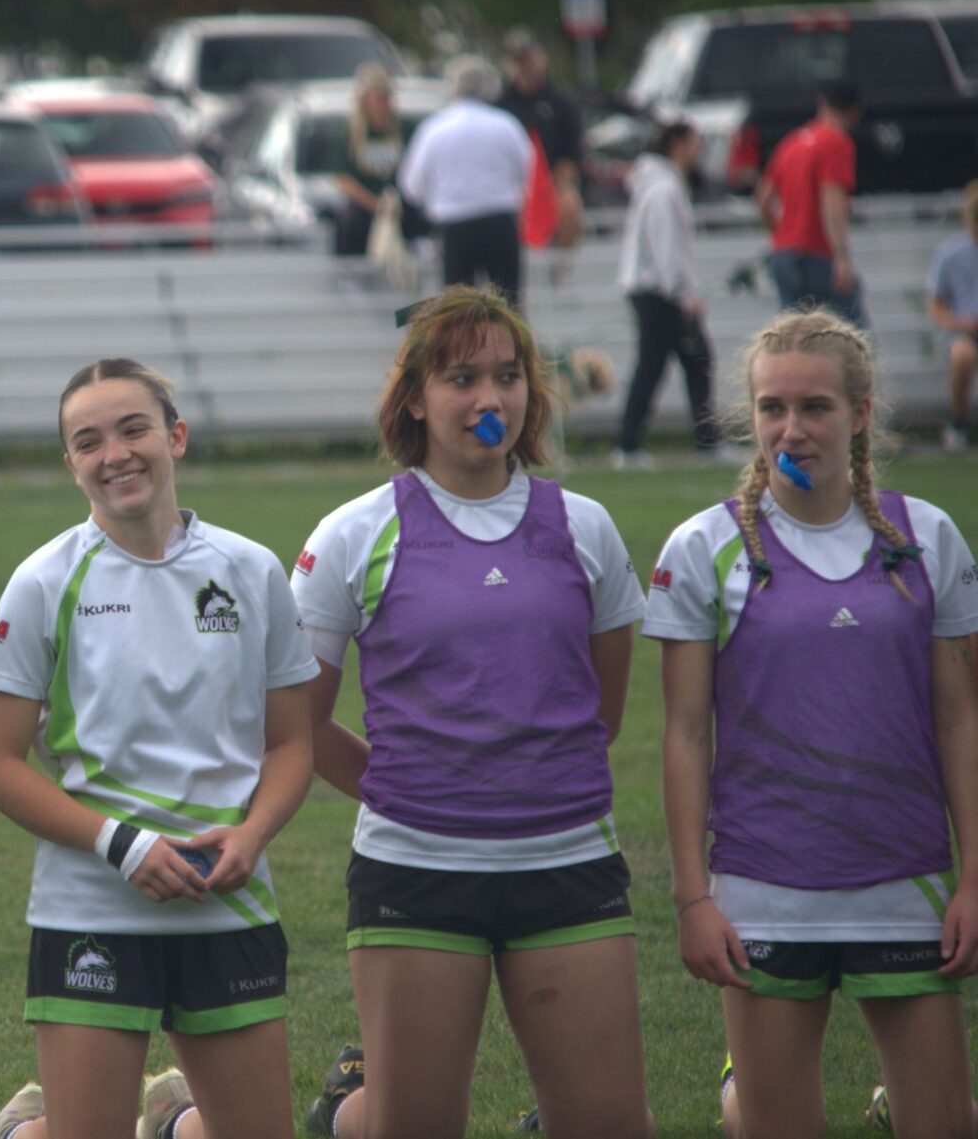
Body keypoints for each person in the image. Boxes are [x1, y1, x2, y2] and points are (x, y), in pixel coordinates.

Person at [292, 287, 653, 1139]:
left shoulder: (586, 527)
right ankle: (348, 1106)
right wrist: (406, 789)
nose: (489, 399)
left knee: (611, 1123)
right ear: (416, 396)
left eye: (507, 375)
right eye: (462, 378)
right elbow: (297, 725)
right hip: (416, 866)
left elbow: (599, 712)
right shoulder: (355, 533)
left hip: (566, 859)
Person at [645, 310, 978, 1139]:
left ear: (860, 413)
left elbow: (958, 715)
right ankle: (742, 1095)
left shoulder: (926, 537)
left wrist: (975, 876)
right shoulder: (702, 548)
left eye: (816, 407)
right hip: (766, 892)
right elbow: (685, 735)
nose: (791, 428)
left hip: (905, 884)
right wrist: (693, 895)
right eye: (771, 408)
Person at [0, 359, 317, 1139]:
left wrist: (251, 836)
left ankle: (168, 1122)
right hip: (92, 905)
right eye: (88, 441)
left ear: (176, 437)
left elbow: (293, 743)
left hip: (228, 902)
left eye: (133, 429)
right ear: (70, 465)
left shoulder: (251, 571)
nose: (115, 453)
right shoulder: (43, 580)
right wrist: (121, 845)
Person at [613, 118, 719, 468]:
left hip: (655, 289)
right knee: (671, 364)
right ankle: (629, 446)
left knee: (687, 363)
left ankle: (700, 441)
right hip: (659, 292)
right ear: (677, 144)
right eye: (694, 142)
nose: (698, 150)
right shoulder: (665, 189)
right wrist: (684, 292)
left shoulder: (660, 184)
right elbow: (666, 246)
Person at [398, 57, 533, 307]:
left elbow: (411, 186)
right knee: (510, 307)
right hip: (500, 222)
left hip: (455, 227)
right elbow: (527, 170)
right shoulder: (505, 125)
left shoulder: (434, 129)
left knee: (458, 313)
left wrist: (438, 197)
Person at [755, 80, 867, 327]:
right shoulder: (837, 143)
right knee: (851, 336)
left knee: (794, 337)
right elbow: (832, 202)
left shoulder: (792, 142)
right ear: (854, 111)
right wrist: (842, 257)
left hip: (784, 253)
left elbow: (763, 197)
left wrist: (780, 234)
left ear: (822, 104)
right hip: (816, 253)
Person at [495, 28, 584, 250]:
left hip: (553, 183)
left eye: (529, 58)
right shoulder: (501, 106)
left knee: (569, 204)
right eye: (519, 60)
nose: (525, 66)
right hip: (512, 186)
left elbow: (573, 154)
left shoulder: (561, 102)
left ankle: (563, 271)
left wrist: (557, 186)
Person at [329, 63, 405, 265]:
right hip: (364, 207)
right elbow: (343, 177)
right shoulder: (351, 133)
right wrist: (375, 204)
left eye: (386, 96)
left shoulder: (403, 129)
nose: (383, 103)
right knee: (350, 220)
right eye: (378, 97)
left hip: (397, 205)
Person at [926, 179, 978, 452]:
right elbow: (935, 305)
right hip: (963, 329)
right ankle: (957, 421)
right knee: (962, 354)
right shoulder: (951, 253)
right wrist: (961, 322)